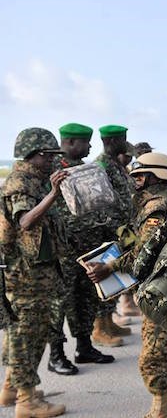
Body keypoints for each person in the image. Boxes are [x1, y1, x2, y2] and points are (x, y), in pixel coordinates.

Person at [86, 152, 167, 418]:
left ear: (155, 177)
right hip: (165, 287)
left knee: (153, 355)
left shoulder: (156, 208)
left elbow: (146, 252)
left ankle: (161, 410)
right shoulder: (161, 201)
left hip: (160, 291)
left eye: (140, 176)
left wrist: (110, 267)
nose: (135, 180)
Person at [0, 127, 68, 416]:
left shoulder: (33, 179)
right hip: (26, 277)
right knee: (28, 335)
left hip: (34, 272)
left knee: (24, 333)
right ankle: (27, 402)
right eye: (48, 155)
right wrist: (53, 194)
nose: (52, 160)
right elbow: (25, 221)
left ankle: (11, 390)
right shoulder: (21, 182)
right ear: (33, 154)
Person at [47, 123, 114, 378]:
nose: (90, 146)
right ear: (71, 142)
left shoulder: (87, 169)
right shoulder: (53, 170)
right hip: (64, 249)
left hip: (89, 245)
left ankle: (84, 347)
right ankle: (56, 355)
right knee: (61, 302)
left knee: (86, 297)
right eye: (86, 142)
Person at [93, 124, 137, 346]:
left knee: (115, 277)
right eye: (122, 139)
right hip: (107, 229)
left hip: (120, 229)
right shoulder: (101, 165)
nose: (125, 143)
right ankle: (99, 328)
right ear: (110, 141)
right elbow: (99, 200)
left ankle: (109, 321)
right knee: (103, 276)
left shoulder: (115, 165)